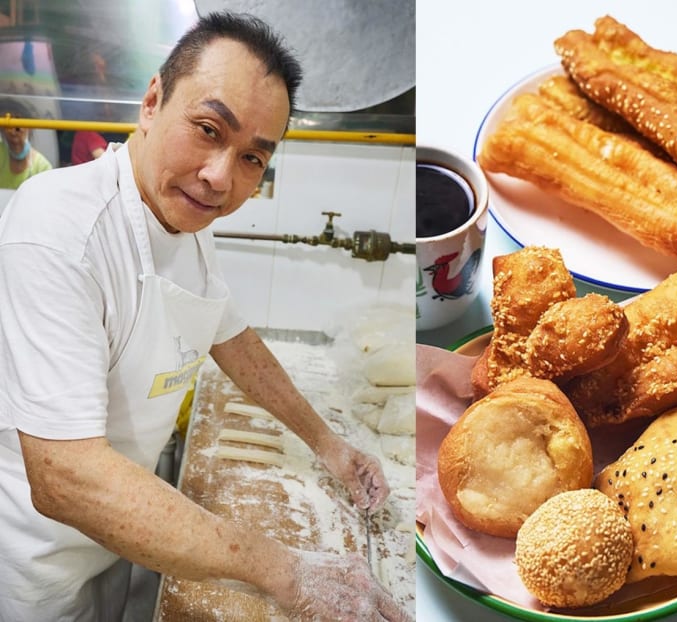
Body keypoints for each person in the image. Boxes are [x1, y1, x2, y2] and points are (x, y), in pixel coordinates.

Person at [0, 11, 410, 622]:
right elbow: (64, 476)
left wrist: (329, 445)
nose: (221, 177)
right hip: (38, 572)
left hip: (122, 539)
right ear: (151, 102)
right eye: (208, 130)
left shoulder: (185, 219)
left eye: (252, 159)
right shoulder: (58, 229)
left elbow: (230, 334)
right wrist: (286, 571)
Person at [0, 98, 53, 189]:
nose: (13, 131)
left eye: (18, 122)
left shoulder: (42, 167)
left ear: (29, 126)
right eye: (8, 125)